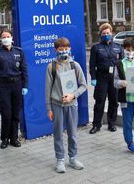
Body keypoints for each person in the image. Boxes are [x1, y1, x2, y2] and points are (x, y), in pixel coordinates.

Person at [45, 37, 87, 173]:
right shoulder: (51, 67)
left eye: (66, 48)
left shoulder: (75, 65)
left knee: (72, 133)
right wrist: (49, 108)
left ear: (70, 49)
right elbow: (47, 89)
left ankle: (73, 158)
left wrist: (73, 95)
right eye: (60, 49)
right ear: (55, 50)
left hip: (71, 105)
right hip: (57, 105)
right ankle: (60, 160)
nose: (64, 51)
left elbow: (84, 85)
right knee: (58, 134)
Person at [0, 28, 28, 149]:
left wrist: (25, 86)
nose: (6, 38)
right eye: (4, 37)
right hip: (3, 86)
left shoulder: (19, 52)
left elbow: (24, 71)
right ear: (1, 39)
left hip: (17, 85)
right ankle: (4, 138)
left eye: (8, 36)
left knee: (15, 114)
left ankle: (14, 138)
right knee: (6, 114)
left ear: (11, 38)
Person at [89, 23, 123, 134]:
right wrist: (93, 78)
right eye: (104, 33)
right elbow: (92, 65)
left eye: (108, 33)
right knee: (100, 102)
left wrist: (122, 78)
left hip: (114, 78)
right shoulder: (96, 48)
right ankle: (96, 125)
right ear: (100, 35)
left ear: (111, 33)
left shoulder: (118, 47)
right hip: (101, 78)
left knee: (114, 102)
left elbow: (122, 64)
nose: (106, 35)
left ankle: (111, 123)